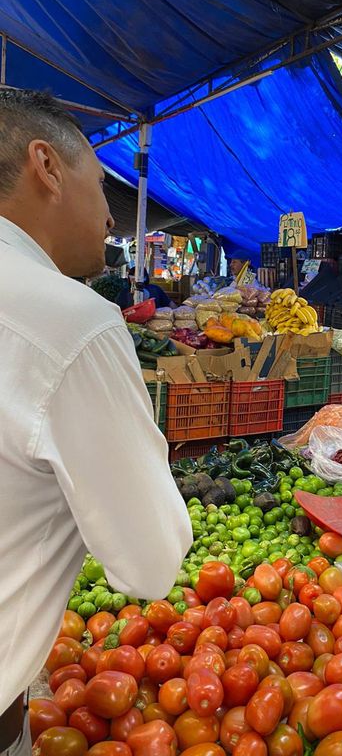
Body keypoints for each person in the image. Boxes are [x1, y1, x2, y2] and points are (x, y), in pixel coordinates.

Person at [0, 89, 192, 753]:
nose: (111, 213)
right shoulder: (70, 321)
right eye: (98, 178)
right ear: (46, 166)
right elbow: (150, 562)